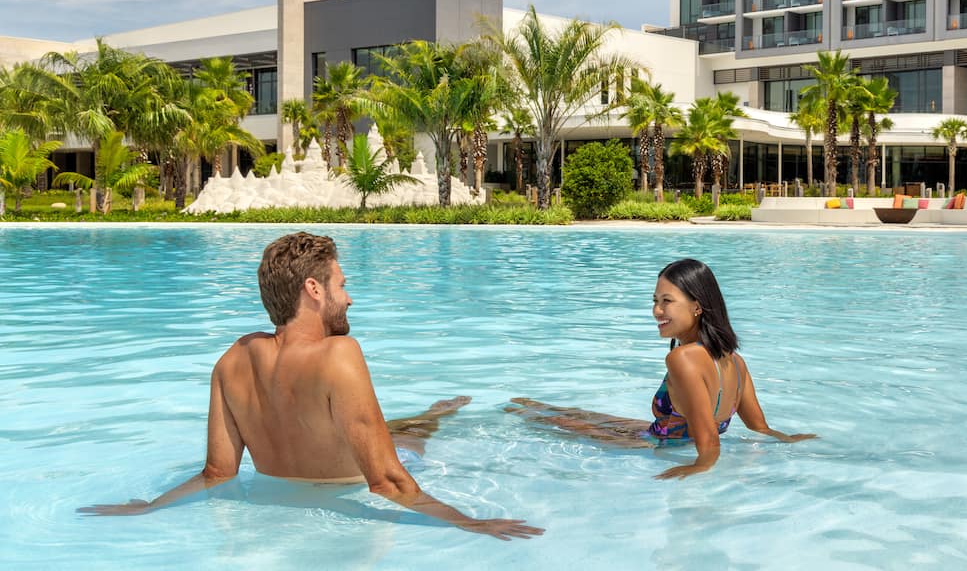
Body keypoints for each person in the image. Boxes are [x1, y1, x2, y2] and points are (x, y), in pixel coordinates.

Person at [78, 232, 542, 541]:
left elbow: (218, 474)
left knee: (404, 433)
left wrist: (149, 507)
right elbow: (386, 482)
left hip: (268, 531)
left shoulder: (230, 362)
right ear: (314, 290)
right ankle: (439, 415)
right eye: (342, 284)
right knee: (412, 441)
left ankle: (434, 415)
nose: (349, 296)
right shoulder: (339, 354)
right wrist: (471, 523)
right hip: (349, 531)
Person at [507, 258, 815, 479]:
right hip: (658, 432)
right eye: (655, 300)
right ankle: (529, 405)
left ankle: (516, 409)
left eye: (667, 301)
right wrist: (788, 439)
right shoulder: (735, 361)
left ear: (697, 306)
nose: (656, 311)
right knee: (581, 414)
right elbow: (758, 426)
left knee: (549, 421)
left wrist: (698, 467)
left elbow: (708, 440)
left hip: (651, 441)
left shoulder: (682, 359)